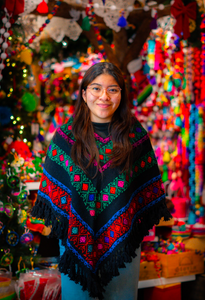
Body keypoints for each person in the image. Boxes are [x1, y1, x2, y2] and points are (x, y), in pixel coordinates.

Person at [32, 62, 172, 300]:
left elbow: (146, 191)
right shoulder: (66, 137)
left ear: (121, 94)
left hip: (123, 243)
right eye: (96, 88)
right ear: (84, 94)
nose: (104, 96)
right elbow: (54, 192)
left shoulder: (135, 137)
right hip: (76, 244)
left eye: (113, 89)